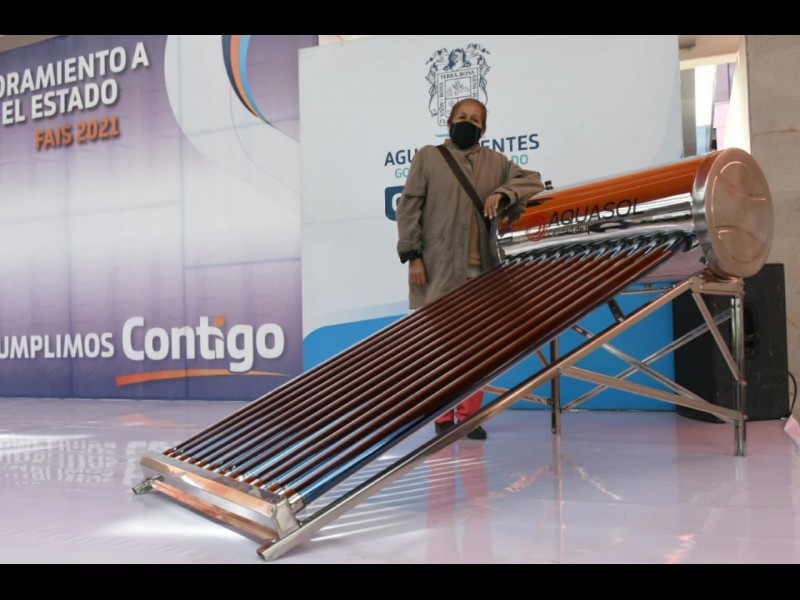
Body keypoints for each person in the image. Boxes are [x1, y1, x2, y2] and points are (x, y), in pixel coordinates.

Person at [396, 97, 545, 440]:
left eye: (475, 120)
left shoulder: (497, 162)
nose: (468, 123)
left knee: (479, 347)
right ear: (449, 122)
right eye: (462, 116)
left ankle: (469, 417)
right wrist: (413, 255)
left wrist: (505, 193)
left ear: (484, 129)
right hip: (438, 268)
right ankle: (442, 416)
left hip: (482, 271)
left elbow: (533, 180)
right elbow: (409, 207)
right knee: (441, 347)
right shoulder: (428, 157)